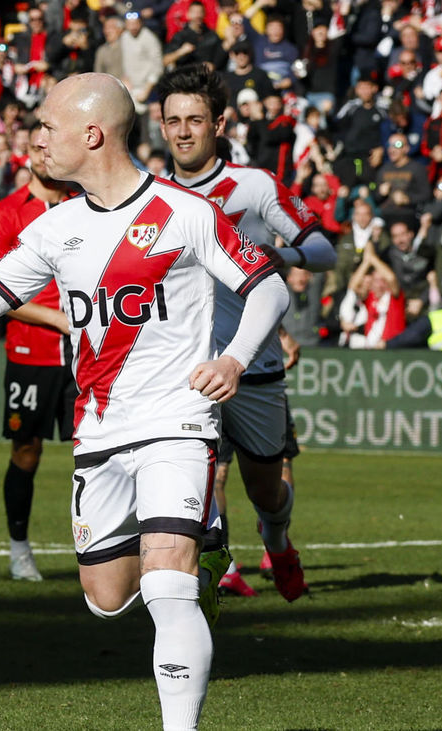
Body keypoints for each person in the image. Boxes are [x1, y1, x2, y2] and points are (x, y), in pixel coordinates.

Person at [0, 73, 289, 731]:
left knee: (166, 584)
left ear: (92, 134)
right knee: (106, 596)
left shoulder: (184, 211)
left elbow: (268, 287)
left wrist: (233, 357)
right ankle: (200, 550)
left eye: (47, 127)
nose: (38, 140)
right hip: (100, 429)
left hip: (177, 420)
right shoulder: (56, 226)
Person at [160, 65, 335, 605]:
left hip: (253, 364)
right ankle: (209, 576)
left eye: (195, 120)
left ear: (218, 124)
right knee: (196, 480)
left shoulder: (254, 186)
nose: (183, 131)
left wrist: (284, 255)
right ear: (161, 127)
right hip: (184, 367)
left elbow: (324, 249)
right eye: (173, 121)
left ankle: (277, 541)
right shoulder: (149, 193)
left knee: (266, 490)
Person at [0, 122, 78, 582]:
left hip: (86, 354)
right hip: (31, 352)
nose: (44, 154)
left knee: (100, 452)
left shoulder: (85, 204)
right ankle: (19, 549)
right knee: (26, 451)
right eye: (37, 148)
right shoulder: (7, 212)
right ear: (26, 154)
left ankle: (103, 551)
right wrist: (58, 320)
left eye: (50, 145)